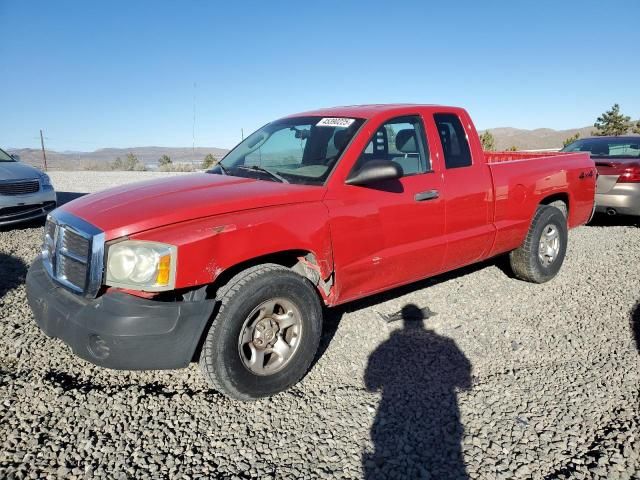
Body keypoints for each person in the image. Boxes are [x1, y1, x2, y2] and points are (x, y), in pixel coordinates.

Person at [363, 304, 472, 479]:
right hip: (440, 413)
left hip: (395, 410)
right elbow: (464, 378)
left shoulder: (387, 347)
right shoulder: (446, 344)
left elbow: (371, 384)